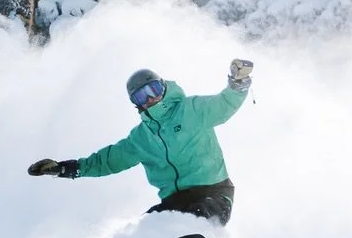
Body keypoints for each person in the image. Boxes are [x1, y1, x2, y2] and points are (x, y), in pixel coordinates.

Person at [28, 59, 254, 228]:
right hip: (174, 200)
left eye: (152, 90)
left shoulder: (192, 110)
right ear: (135, 104)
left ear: (163, 87)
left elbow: (224, 105)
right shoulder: (141, 138)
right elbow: (108, 161)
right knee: (148, 227)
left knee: (196, 216)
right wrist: (66, 168)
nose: (149, 99)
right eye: (140, 97)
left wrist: (238, 83)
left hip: (213, 193)